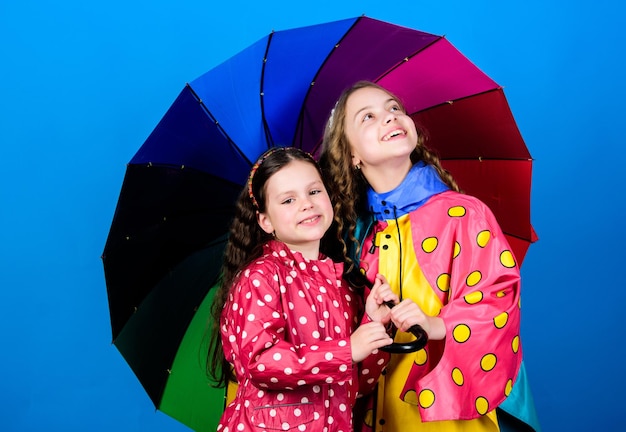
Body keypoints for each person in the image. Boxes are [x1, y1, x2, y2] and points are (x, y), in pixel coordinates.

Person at [319, 81, 540, 432]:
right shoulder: (355, 240)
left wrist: (438, 324)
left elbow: (498, 298)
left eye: (394, 109)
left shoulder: (464, 213)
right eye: (369, 117)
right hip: (383, 414)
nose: (390, 118)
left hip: (454, 419)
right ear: (351, 156)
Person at [207, 147, 399, 432]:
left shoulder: (342, 286)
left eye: (313, 192)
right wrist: (347, 350)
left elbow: (358, 386)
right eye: (288, 200)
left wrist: (374, 324)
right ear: (265, 221)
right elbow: (260, 363)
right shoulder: (260, 278)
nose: (306, 204)